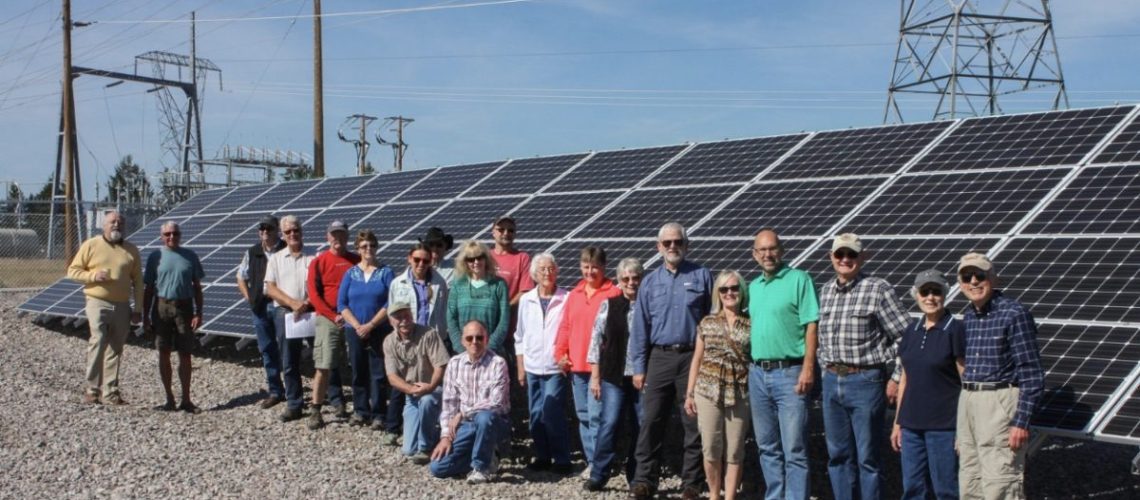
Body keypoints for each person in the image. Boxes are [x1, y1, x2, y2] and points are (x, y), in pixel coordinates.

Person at [816, 233, 910, 500]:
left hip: (865, 382)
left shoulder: (878, 289)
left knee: (868, 458)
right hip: (832, 381)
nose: (845, 259)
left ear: (862, 257)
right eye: (840, 254)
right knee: (837, 456)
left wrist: (895, 376)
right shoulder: (824, 292)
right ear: (831, 257)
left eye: (852, 255)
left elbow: (905, 337)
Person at [628, 222, 712, 500]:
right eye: (667, 243)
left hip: (692, 358)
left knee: (693, 422)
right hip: (659, 358)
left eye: (678, 242)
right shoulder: (650, 283)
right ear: (658, 247)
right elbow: (640, 329)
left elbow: (713, 320)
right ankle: (644, 480)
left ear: (686, 245)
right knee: (651, 421)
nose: (672, 247)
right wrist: (639, 368)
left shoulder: (702, 276)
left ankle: (692, 483)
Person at [955, 253, 1043, 499]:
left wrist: (1021, 421)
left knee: (1000, 482)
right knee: (970, 480)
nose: (973, 281)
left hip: (999, 403)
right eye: (966, 277)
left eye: (979, 275)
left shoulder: (1014, 314)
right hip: (969, 400)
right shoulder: (969, 316)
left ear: (993, 278)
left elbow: (1031, 372)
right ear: (960, 283)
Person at [747, 228, 819, 500]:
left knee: (795, 448)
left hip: (790, 372)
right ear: (755, 254)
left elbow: (811, 325)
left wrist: (808, 368)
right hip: (757, 374)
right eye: (762, 250)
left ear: (782, 250)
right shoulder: (753, 287)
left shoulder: (800, 279)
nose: (768, 254)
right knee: (767, 446)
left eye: (772, 248)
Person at [890, 269, 965, 500]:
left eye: (936, 291)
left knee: (945, 489)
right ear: (916, 295)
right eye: (925, 291)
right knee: (912, 488)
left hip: (943, 426)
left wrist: (963, 429)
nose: (930, 297)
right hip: (911, 425)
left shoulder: (955, 330)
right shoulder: (911, 330)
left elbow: (966, 382)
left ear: (945, 294)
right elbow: (905, 379)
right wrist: (897, 423)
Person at [553, 246, 622, 480]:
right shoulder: (575, 294)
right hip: (576, 367)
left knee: (596, 416)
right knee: (583, 415)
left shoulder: (613, 293)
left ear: (603, 268)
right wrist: (560, 353)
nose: (590, 271)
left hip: (599, 369)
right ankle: (593, 460)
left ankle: (601, 464)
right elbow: (565, 326)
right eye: (585, 266)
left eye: (595, 267)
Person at [683, 270, 751, 500]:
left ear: (741, 291)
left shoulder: (751, 322)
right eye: (724, 289)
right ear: (717, 294)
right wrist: (689, 394)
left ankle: (729, 496)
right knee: (711, 446)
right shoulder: (707, 322)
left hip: (740, 392)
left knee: (734, 449)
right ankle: (714, 494)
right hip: (707, 391)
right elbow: (697, 360)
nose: (729, 293)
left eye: (734, 288)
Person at [67, 209, 143, 405]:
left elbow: (138, 282)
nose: (116, 225)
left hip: (122, 305)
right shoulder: (91, 245)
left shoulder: (131, 250)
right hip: (97, 302)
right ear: (104, 225)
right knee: (98, 341)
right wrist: (93, 276)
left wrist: (138, 309)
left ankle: (110, 393)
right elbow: (72, 271)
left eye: (120, 222)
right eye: (112, 222)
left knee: (116, 348)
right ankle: (92, 390)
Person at [586, 257, 645, 492]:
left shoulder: (648, 304)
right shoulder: (608, 305)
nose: (631, 282)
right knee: (609, 423)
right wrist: (595, 376)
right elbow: (595, 341)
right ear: (619, 280)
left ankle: (637, 476)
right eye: (626, 278)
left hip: (643, 377)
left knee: (641, 426)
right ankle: (599, 473)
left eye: (635, 277)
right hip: (613, 376)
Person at [430, 321, 511, 484]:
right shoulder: (454, 364)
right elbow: (449, 403)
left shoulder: (498, 363)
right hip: (466, 426)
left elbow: (496, 402)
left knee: (484, 417)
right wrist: (445, 436)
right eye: (469, 338)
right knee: (437, 468)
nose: (474, 342)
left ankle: (480, 468)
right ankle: (488, 457)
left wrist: (463, 413)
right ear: (462, 341)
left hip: (494, 423)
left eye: (479, 337)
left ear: (486, 339)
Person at [513, 252, 572, 473]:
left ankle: (562, 458)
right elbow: (519, 335)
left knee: (552, 411)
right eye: (542, 270)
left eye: (551, 269)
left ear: (557, 271)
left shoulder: (566, 298)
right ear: (534, 274)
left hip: (556, 367)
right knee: (535, 414)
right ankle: (543, 455)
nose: (547, 273)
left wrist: (566, 357)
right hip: (532, 366)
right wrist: (520, 366)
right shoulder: (526, 300)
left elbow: (570, 331)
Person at [142, 221, 205, 413]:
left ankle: (186, 399)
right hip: (161, 307)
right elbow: (149, 288)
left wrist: (198, 312)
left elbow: (197, 287)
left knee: (185, 354)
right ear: (161, 236)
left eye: (175, 234)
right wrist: (145, 316)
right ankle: (169, 399)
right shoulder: (155, 257)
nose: (172, 237)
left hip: (184, 307)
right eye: (167, 234)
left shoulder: (190, 256)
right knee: (164, 351)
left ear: (180, 235)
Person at [337, 230, 396, 434]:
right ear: (357, 249)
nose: (368, 249)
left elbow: (392, 301)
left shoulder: (386, 272)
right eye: (364, 246)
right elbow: (342, 304)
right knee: (358, 370)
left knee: (378, 372)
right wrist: (357, 326)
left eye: (372, 245)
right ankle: (361, 410)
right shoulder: (350, 274)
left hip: (379, 329)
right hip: (354, 330)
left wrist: (371, 324)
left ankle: (379, 413)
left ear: (376, 247)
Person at [305, 220, 358, 429]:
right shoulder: (319, 262)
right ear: (328, 237)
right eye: (334, 234)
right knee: (324, 365)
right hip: (328, 318)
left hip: (353, 318)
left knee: (358, 364)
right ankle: (316, 410)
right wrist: (331, 315)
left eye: (342, 234)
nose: (338, 238)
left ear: (347, 237)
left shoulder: (356, 260)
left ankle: (363, 408)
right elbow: (314, 294)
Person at [383, 301, 449, 465]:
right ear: (391, 321)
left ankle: (426, 448)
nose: (404, 320)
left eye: (407, 316)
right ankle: (435, 436)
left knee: (427, 401)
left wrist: (431, 386)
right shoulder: (389, 342)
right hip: (411, 395)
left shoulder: (429, 334)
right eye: (398, 317)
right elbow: (392, 377)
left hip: (435, 389)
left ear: (412, 316)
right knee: (408, 450)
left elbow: (440, 365)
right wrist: (411, 389)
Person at [263, 215, 315, 423]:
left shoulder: (313, 257)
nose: (293, 234)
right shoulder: (275, 259)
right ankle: (294, 403)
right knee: (289, 361)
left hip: (311, 311)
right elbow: (270, 288)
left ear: (302, 231)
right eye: (288, 232)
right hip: (286, 314)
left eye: (296, 230)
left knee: (320, 357)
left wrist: (307, 302)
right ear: (282, 235)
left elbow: (320, 285)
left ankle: (332, 398)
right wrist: (294, 304)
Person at [236, 215, 288, 409]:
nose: (265, 231)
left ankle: (291, 390)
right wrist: (249, 296)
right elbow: (241, 277)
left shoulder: (286, 249)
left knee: (287, 348)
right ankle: (275, 390)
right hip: (260, 307)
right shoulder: (253, 252)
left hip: (281, 306)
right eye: (262, 228)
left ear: (277, 230)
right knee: (267, 349)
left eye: (269, 228)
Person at [446, 241, 510, 358]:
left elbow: (504, 321)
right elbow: (451, 318)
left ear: (486, 259)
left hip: (492, 354)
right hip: (463, 354)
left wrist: (489, 348)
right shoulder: (457, 285)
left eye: (479, 257)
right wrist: (462, 349)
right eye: (471, 259)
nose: (476, 262)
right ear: (465, 262)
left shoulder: (499, 285)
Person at [389, 243, 449, 342]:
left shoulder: (439, 283)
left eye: (425, 261)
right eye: (417, 259)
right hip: (408, 339)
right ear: (409, 259)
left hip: (434, 341)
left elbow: (444, 311)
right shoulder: (397, 284)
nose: (421, 264)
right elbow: (391, 314)